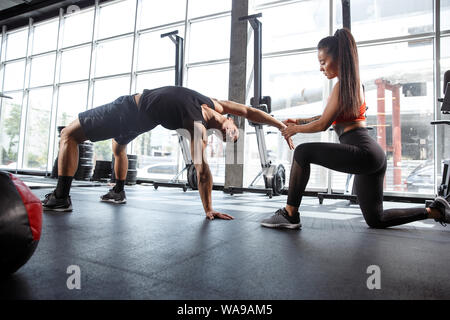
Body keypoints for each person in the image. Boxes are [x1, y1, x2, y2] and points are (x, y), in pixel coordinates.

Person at [260, 28, 450, 230]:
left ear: (339, 58)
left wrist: (295, 129)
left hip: (362, 152)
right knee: (376, 219)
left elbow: (324, 124)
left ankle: (290, 214)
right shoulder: (352, 85)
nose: (321, 68)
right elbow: (329, 117)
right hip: (370, 156)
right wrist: (299, 120)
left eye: (323, 62)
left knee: (302, 152)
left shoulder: (343, 87)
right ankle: (435, 210)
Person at [42, 86, 294, 220]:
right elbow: (249, 111)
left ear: (219, 131)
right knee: (118, 148)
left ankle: (61, 197)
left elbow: (202, 171)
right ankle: (118, 191)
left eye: (229, 132)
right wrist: (280, 124)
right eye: (232, 125)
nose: (231, 125)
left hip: (129, 109)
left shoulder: (198, 127)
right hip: (142, 120)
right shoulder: (215, 104)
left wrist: (208, 209)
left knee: (68, 135)